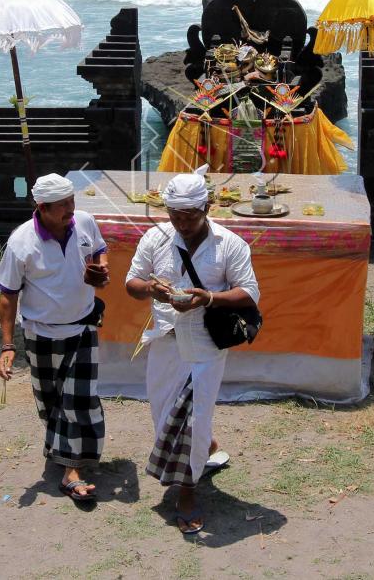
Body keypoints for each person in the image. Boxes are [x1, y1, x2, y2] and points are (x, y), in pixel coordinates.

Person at [125, 164, 261, 534]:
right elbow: (131, 282)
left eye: (190, 216)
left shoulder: (229, 244)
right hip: (165, 342)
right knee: (163, 413)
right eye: (175, 215)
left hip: (204, 347)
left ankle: (187, 490)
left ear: (208, 207)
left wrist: (209, 298)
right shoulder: (155, 239)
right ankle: (206, 448)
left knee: (195, 416)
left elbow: (249, 292)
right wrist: (151, 289)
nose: (182, 223)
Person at [0, 173, 109, 503]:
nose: (71, 210)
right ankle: (61, 450)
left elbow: (101, 250)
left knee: (79, 399)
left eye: (72, 201)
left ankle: (72, 471)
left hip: (83, 327)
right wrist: (7, 345)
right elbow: (7, 295)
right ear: (42, 208)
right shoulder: (21, 243)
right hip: (41, 334)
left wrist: (101, 269)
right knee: (51, 401)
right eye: (62, 206)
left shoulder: (84, 222)